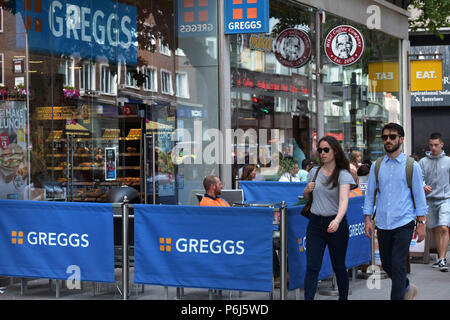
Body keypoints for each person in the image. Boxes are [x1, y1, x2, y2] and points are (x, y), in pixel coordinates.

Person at [363, 123, 428, 300]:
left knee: (398, 264)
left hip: (404, 221)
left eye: (392, 136)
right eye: (385, 137)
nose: (388, 140)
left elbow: (419, 196)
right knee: (388, 264)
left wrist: (421, 223)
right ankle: (407, 287)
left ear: (401, 138)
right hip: (383, 222)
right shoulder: (377, 166)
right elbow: (369, 195)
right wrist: (368, 219)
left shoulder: (411, 166)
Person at [302, 135, 355, 300]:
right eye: (320, 150)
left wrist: (337, 220)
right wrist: (306, 189)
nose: (322, 153)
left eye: (326, 150)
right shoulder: (313, 172)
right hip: (316, 223)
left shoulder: (343, 174)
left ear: (335, 151)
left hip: (336, 223)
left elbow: (344, 200)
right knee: (312, 266)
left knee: (339, 266)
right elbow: (305, 196)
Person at [419, 132, 450, 272]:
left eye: (436, 145)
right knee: (435, 229)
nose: (433, 148)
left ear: (442, 145)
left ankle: (443, 259)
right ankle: (440, 258)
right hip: (430, 200)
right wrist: (423, 186)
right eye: (431, 145)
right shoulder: (423, 162)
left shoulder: (448, 161)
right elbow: (419, 178)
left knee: (444, 227)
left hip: (446, 199)